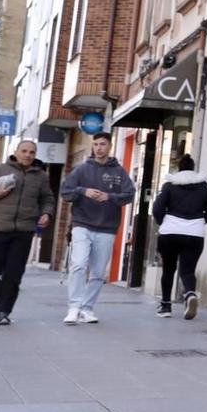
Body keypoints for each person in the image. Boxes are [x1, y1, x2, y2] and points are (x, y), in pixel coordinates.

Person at [0, 141, 53, 325]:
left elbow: (47, 198)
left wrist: (47, 213)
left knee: (14, 274)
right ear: (15, 152)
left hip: (24, 230)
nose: (28, 155)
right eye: (24, 151)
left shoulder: (41, 176)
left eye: (32, 152)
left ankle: (3, 311)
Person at [59, 132, 135, 324]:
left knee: (99, 272)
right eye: (95, 144)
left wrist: (110, 197)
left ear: (110, 146)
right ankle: (74, 307)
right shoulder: (82, 170)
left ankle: (87, 308)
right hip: (82, 224)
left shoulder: (119, 172)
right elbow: (65, 191)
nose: (98, 148)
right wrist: (83, 191)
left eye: (102, 144)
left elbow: (129, 194)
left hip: (107, 227)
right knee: (78, 264)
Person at [151, 153, 207, 319]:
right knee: (188, 271)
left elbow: (157, 209)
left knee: (168, 269)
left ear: (178, 169)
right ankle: (189, 294)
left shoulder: (169, 185)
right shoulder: (203, 186)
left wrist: (164, 222)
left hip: (170, 232)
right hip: (194, 233)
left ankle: (166, 306)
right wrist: (199, 221)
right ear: (193, 168)